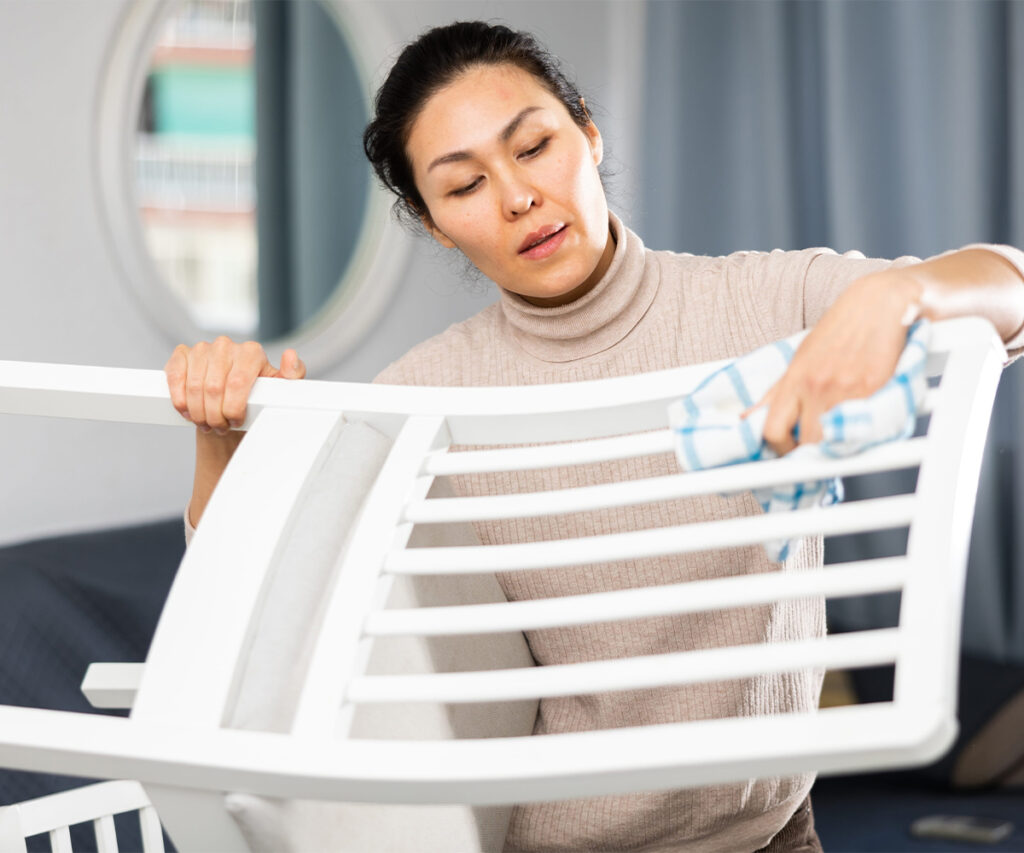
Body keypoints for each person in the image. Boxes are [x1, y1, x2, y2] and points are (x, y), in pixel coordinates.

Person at [165, 21, 1024, 853]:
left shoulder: (761, 303)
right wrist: (221, 435)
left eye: (534, 146)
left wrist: (900, 296)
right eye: (463, 186)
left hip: (764, 838)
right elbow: (247, 613)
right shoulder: (416, 399)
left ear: (590, 131)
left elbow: (1011, 291)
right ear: (434, 222)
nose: (516, 196)